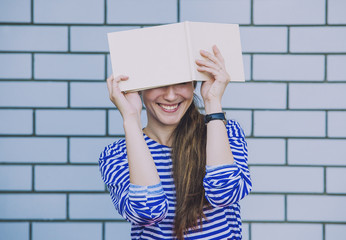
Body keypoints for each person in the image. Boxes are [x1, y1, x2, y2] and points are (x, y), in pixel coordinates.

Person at [99, 45, 252, 240]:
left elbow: (224, 194)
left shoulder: (225, 132)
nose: (170, 96)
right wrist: (130, 118)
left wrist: (213, 101)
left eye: (181, 83)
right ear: (139, 90)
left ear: (194, 84)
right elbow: (148, 212)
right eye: (158, 83)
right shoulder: (117, 154)